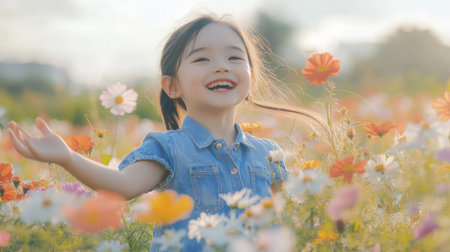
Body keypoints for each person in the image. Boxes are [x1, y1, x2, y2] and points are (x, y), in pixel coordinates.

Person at [8, 14, 321, 251]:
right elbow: (121, 186)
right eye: (202, 59)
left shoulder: (269, 153)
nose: (221, 66)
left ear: (252, 75)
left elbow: (284, 221)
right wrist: (67, 157)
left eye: (234, 57)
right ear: (172, 86)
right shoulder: (168, 148)